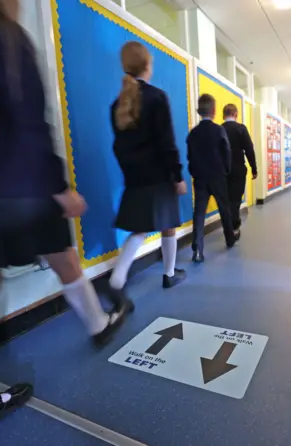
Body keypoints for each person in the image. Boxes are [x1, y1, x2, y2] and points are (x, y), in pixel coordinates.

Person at [0, 0, 127, 441]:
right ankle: (98, 325)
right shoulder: (7, 39)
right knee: (63, 258)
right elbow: (29, 125)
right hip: (21, 186)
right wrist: (59, 187)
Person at [108, 41, 187, 306]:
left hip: (135, 178)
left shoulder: (116, 105)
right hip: (159, 175)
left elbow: (118, 147)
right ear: (147, 66)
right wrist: (177, 176)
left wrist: (132, 171)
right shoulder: (156, 98)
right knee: (168, 225)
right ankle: (169, 273)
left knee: (139, 230)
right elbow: (167, 142)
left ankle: (116, 281)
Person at [187, 94, 236, 263]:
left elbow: (190, 156)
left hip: (200, 178)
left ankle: (197, 250)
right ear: (214, 111)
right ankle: (229, 239)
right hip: (217, 176)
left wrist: (194, 172)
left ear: (199, 111)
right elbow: (227, 152)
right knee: (224, 208)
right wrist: (226, 170)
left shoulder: (193, 134)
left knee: (199, 213)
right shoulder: (219, 130)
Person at [222, 104, 257, 239]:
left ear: (223, 114)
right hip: (238, 170)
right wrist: (254, 169)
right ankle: (234, 227)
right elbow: (249, 150)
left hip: (223, 171)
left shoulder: (219, 129)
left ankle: (229, 227)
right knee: (235, 200)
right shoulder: (241, 129)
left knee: (226, 200)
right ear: (236, 114)